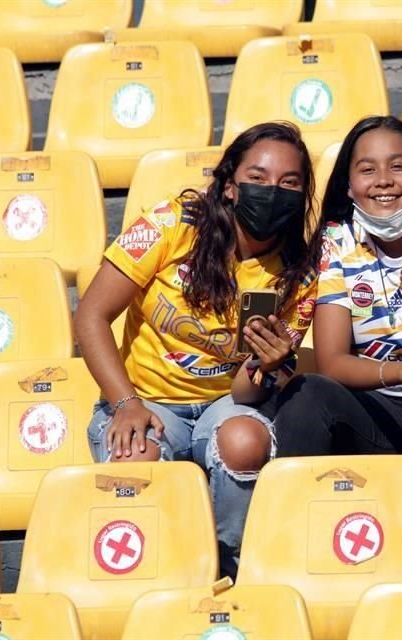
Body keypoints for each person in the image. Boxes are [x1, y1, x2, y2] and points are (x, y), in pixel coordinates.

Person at [75, 121, 320, 578]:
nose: (273, 192)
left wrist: (268, 365)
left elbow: (248, 395)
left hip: (225, 403)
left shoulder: (299, 273)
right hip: (145, 398)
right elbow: (89, 316)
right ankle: (161, 575)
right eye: (258, 178)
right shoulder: (173, 225)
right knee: (135, 456)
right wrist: (124, 402)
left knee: (245, 441)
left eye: (290, 183)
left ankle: (230, 566)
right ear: (230, 185)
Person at [268, 116, 402, 567]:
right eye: (367, 170)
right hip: (373, 408)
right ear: (349, 185)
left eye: (397, 167)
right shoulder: (336, 240)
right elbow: (332, 361)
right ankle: (300, 542)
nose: (383, 181)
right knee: (307, 393)